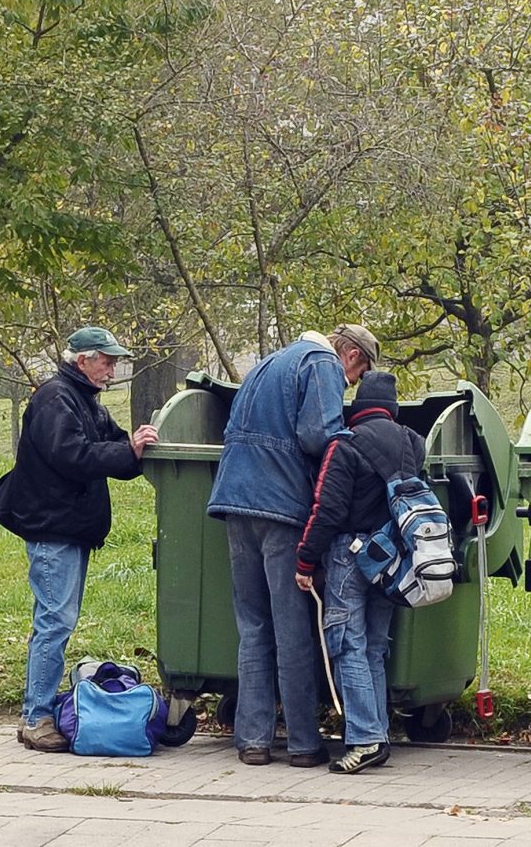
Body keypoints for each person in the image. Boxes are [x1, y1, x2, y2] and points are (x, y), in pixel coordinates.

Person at [207, 324, 380, 767]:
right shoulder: (321, 364)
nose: (353, 384)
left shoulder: (269, 363)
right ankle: (304, 743)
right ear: (352, 356)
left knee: (253, 626)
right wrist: (357, 447)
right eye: (357, 375)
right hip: (281, 508)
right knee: (292, 627)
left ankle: (253, 740)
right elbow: (318, 433)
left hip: (235, 500)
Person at [0, 326, 159, 752]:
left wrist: (137, 448)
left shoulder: (82, 399)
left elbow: (113, 445)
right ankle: (37, 717)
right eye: (106, 359)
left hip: (69, 527)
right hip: (53, 528)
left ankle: (39, 711)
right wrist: (129, 451)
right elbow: (74, 455)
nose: (112, 368)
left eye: (114, 360)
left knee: (55, 620)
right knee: (55, 622)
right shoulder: (55, 398)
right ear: (82, 360)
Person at [295, 370, 425, 774]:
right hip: (392, 557)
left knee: (347, 645)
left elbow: (327, 509)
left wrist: (305, 560)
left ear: (358, 408)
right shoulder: (412, 444)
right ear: (392, 408)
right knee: (373, 647)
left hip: (350, 557)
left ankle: (366, 738)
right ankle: (378, 733)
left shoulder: (344, 445)